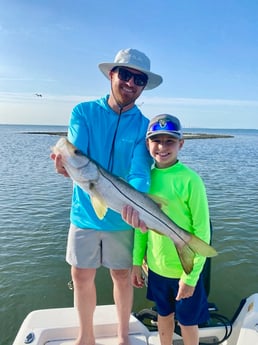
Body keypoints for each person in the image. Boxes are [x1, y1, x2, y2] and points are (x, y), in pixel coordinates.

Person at [51, 48, 162, 345]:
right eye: (125, 74)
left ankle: (123, 336)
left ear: (143, 86)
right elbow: (77, 152)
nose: (130, 83)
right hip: (84, 214)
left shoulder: (143, 126)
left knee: (122, 277)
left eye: (138, 79)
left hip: (123, 216)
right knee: (81, 277)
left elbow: (140, 170)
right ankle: (85, 337)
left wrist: (136, 202)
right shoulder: (83, 112)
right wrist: (66, 165)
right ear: (111, 75)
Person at [122, 114, 210, 345]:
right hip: (156, 269)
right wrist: (136, 261)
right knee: (163, 316)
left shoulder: (191, 180)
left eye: (169, 141)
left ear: (181, 144)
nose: (162, 147)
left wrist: (190, 277)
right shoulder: (144, 179)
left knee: (189, 323)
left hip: (185, 270)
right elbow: (141, 226)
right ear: (147, 144)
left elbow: (202, 231)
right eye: (156, 141)